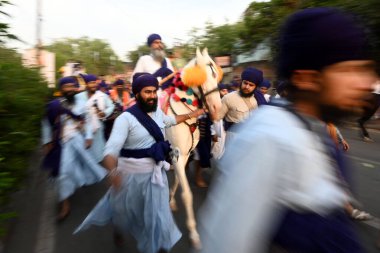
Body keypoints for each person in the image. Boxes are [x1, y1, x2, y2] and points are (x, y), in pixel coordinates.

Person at [199, 7, 377, 253]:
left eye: (364, 69)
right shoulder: (267, 139)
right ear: (305, 78)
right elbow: (225, 244)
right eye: (348, 70)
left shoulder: (310, 127)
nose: (365, 83)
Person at [74, 73, 205, 253]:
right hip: (130, 176)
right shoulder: (125, 119)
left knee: (157, 215)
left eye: (154, 92)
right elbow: (110, 152)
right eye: (147, 92)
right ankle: (118, 229)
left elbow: (170, 121)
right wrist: (113, 174)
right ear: (137, 94)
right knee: (124, 212)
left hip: (156, 176)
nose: (152, 96)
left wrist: (193, 114)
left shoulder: (158, 112)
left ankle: (158, 246)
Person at [41, 77, 107, 221]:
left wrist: (89, 136)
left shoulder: (81, 104)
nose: (70, 89)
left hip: (77, 139)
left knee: (80, 167)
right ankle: (65, 204)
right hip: (59, 143)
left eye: (72, 86)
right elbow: (46, 124)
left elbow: (88, 120)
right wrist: (47, 142)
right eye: (66, 87)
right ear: (61, 90)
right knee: (63, 172)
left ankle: (71, 187)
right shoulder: (54, 105)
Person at [75, 74, 115, 162]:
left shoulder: (102, 95)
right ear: (86, 84)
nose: (93, 85)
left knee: (98, 153)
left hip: (98, 129)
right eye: (91, 83)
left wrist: (104, 113)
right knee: (84, 153)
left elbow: (111, 106)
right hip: (83, 128)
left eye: (94, 83)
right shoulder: (78, 97)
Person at [218, 67, 267, 132]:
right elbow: (217, 118)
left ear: (255, 87)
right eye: (245, 83)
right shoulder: (228, 98)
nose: (247, 87)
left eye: (251, 85)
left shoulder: (259, 99)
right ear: (241, 82)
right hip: (233, 137)